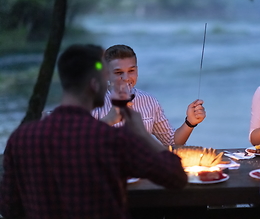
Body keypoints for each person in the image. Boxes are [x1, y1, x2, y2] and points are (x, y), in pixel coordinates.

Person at [0, 44, 187, 219]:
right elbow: (176, 176)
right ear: (95, 84)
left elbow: (9, 208)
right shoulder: (111, 139)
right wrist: (142, 133)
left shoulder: (21, 139)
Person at [92, 44, 206, 146]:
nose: (126, 78)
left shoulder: (149, 101)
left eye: (131, 71)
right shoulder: (94, 102)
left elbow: (172, 142)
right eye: (118, 72)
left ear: (137, 70)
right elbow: (81, 142)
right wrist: (109, 120)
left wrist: (190, 122)